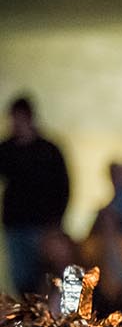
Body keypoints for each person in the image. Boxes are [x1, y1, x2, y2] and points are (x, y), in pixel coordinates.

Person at [0, 96, 70, 296]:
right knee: (22, 277)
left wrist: (56, 221)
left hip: (42, 225)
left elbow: (62, 187)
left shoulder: (48, 151)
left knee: (43, 277)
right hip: (15, 225)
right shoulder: (7, 149)